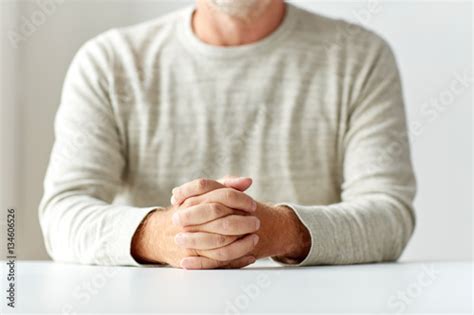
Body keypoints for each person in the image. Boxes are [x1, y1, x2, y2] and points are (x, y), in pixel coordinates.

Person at [39, 0, 416, 269]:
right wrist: (163, 234)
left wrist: (281, 230)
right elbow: (63, 212)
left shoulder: (361, 57)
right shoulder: (109, 61)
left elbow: (389, 214)